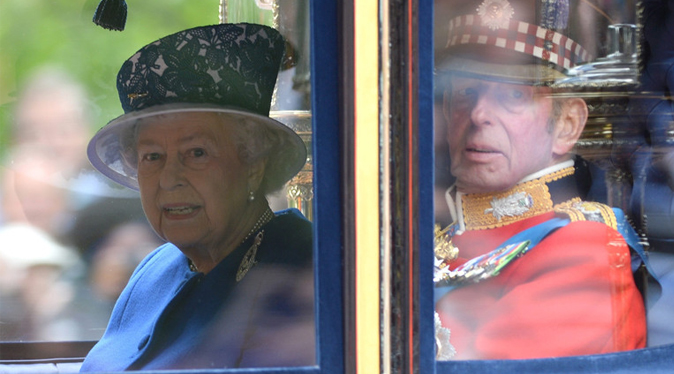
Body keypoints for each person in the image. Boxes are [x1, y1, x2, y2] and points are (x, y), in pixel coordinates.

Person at [79, 23, 314, 370]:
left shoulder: (301, 264)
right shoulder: (154, 268)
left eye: (196, 153)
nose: (169, 180)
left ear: (253, 163)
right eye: (152, 157)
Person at [433, 0, 656, 360]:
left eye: (513, 95)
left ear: (567, 125)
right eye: (465, 93)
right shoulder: (439, 231)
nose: (478, 114)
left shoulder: (585, 247)